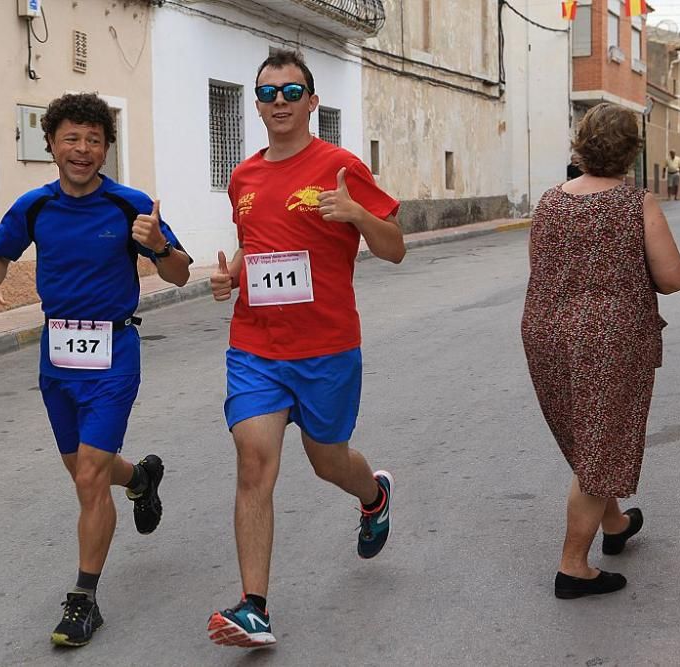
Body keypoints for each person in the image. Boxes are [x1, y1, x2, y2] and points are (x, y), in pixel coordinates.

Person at [0, 93, 192, 647]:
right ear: (51, 144)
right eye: (71, 138)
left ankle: (83, 599)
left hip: (114, 353)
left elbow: (179, 277)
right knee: (84, 472)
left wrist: (160, 244)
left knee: (90, 477)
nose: (82, 149)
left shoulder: (129, 206)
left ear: (106, 149)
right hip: (57, 357)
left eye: (94, 140)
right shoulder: (35, 207)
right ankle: (141, 478)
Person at [206, 50, 405, 648]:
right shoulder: (243, 176)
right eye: (268, 94)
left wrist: (356, 215)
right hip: (256, 347)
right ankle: (254, 608)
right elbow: (256, 247)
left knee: (327, 459)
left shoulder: (341, 166)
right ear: (257, 106)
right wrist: (232, 277)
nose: (280, 103)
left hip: (327, 348)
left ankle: (373, 495)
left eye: (292, 93)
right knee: (254, 462)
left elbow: (395, 247)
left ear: (312, 103)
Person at [521, 103, 680, 601]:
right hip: (610, 340)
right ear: (632, 153)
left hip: (546, 332)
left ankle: (614, 525)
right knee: (601, 445)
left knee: (589, 436)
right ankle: (574, 566)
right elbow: (672, 278)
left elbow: (540, 264)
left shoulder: (551, 202)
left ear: (580, 145)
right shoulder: (637, 204)